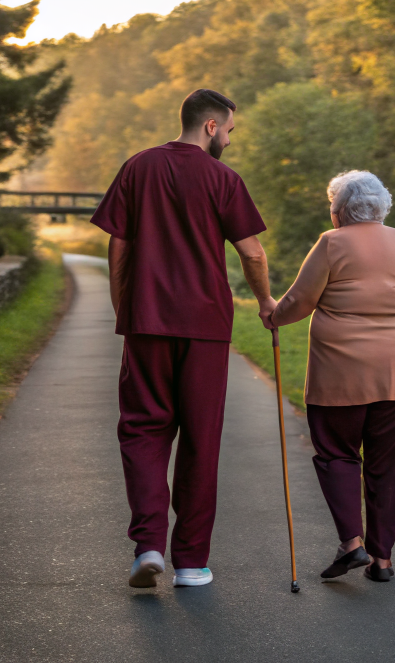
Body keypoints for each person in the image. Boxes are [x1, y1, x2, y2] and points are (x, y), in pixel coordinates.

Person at [90, 88, 276, 590]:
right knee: (200, 438)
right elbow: (253, 255)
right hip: (206, 327)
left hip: (147, 322)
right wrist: (265, 303)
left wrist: (123, 306)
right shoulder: (223, 179)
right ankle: (191, 564)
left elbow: (119, 245)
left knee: (143, 431)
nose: (231, 141)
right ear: (212, 126)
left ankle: (148, 546)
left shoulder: (138, 167)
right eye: (231, 131)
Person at [266, 170, 395, 582]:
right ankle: (382, 561)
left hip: (340, 371)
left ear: (339, 212)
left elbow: (300, 301)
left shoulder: (331, 242)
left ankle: (352, 544)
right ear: (381, 208)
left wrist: (273, 315)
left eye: (331, 208)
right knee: (388, 464)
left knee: (338, 453)